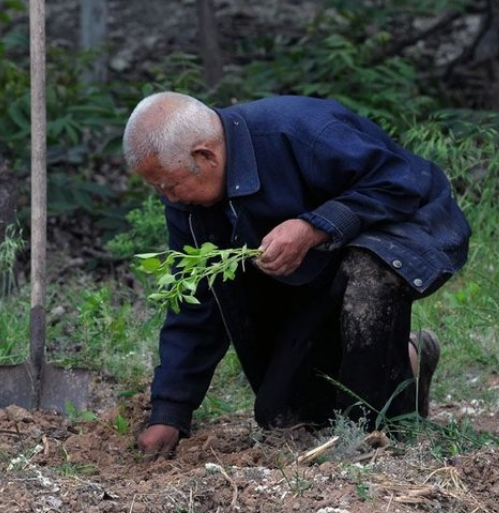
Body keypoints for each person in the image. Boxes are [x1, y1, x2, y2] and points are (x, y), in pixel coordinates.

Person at [122, 92, 471, 459]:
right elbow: (197, 302)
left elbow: (402, 183)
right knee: (283, 414)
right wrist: (170, 411)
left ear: (205, 155)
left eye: (170, 185)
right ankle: (409, 356)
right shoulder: (189, 206)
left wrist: (315, 227)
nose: (168, 197)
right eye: (158, 187)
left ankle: (368, 436)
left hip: (411, 228)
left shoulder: (301, 129)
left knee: (368, 272)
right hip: (324, 265)